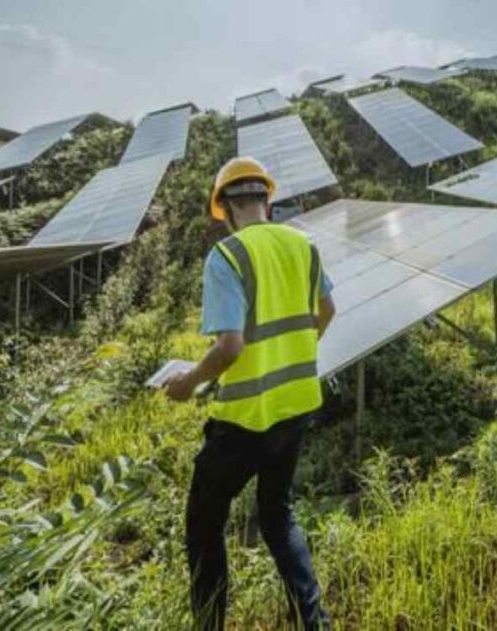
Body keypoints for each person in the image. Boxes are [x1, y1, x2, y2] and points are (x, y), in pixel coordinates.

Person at [164, 156, 334, 630]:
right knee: (278, 518)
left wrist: (188, 382)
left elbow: (231, 345)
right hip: (296, 407)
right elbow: (328, 310)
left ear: (225, 207)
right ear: (266, 199)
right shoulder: (305, 246)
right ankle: (315, 622)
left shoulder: (228, 256)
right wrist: (289, 355)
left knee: (203, 528)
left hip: (243, 421)